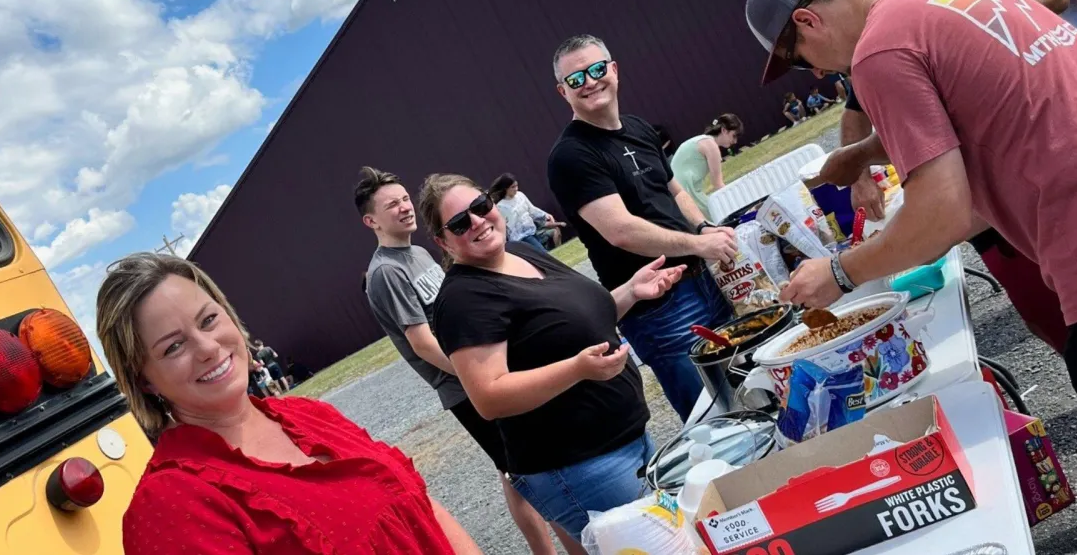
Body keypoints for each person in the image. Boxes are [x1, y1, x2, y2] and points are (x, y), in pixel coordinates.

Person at [746, 0, 1077, 517]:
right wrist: (865, 152)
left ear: (808, 20)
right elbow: (981, 116)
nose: (817, 74)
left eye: (800, 61)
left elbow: (942, 214)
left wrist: (840, 273)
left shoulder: (879, 51)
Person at [803, 0, 1073, 355]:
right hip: (1034, 188)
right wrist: (860, 161)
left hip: (1027, 202)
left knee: (1072, 330)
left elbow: (941, 208)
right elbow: (861, 106)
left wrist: (843, 272)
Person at [95, 252, 482, 554]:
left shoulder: (309, 414)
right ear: (144, 380)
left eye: (208, 320)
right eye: (174, 346)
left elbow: (422, 507)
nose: (207, 347)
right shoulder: (170, 505)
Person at [419, 173, 684, 545]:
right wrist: (577, 369)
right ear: (442, 241)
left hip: (625, 441)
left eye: (480, 206)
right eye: (460, 223)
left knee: (676, 541)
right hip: (580, 465)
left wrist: (631, 292)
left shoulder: (520, 252)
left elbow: (575, 323)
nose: (477, 221)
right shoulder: (464, 299)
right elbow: (489, 397)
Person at [354, 167, 575, 555]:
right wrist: (476, 375)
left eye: (405, 199)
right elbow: (422, 342)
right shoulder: (386, 272)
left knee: (519, 472)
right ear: (371, 221)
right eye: (392, 205)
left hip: (479, 373)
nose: (405, 208)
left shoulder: (417, 253)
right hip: (464, 388)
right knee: (529, 472)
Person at [546, 33, 739, 422]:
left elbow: (674, 190)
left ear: (614, 70)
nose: (590, 82)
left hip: (703, 280)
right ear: (563, 92)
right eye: (576, 79)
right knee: (715, 418)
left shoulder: (637, 127)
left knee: (747, 382)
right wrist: (698, 245)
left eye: (597, 69)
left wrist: (703, 227)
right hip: (660, 306)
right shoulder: (571, 156)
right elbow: (621, 231)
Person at [669, 114, 743, 221]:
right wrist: (738, 202)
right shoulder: (711, 146)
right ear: (724, 130)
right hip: (685, 190)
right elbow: (717, 184)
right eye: (734, 136)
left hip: (676, 190)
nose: (735, 141)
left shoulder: (704, 140)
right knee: (718, 218)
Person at [488, 173, 565, 251]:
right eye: (513, 187)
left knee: (553, 234)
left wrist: (545, 215)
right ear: (505, 189)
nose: (516, 189)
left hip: (533, 231)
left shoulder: (520, 195)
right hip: (521, 238)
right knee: (543, 253)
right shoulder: (501, 206)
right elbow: (504, 226)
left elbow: (532, 210)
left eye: (516, 186)